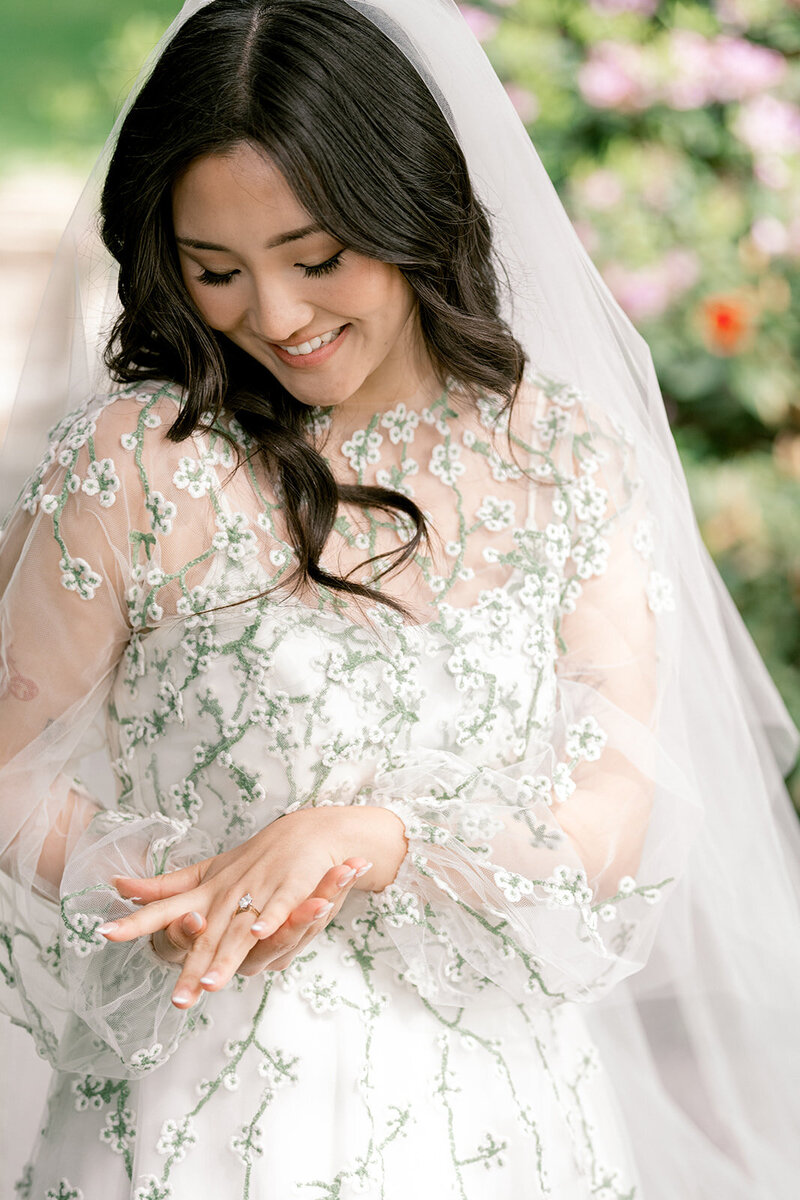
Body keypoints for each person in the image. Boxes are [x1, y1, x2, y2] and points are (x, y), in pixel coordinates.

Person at [1, 0, 799, 1196]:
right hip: (193, 1120)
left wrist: (379, 841)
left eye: (316, 259)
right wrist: (166, 876)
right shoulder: (136, 462)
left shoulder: (560, 458)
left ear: (410, 212)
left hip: (496, 1118)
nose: (274, 318)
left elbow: (614, 800)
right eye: (215, 271)